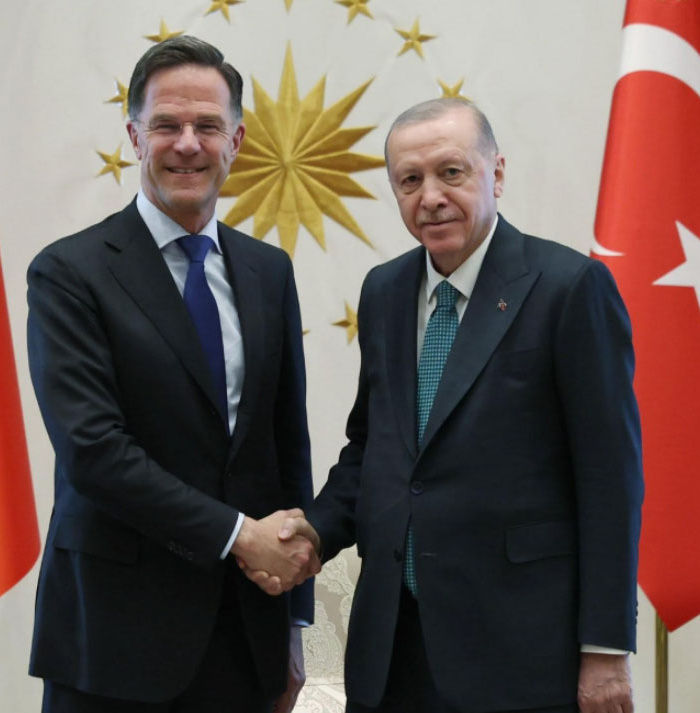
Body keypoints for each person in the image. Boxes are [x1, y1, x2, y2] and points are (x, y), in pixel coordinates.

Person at [273, 98, 644, 713]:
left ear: (495, 173)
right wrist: (313, 532)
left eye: (451, 172)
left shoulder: (570, 288)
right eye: (409, 181)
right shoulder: (384, 291)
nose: (431, 198)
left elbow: (611, 478)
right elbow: (374, 449)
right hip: (393, 649)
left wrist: (605, 647)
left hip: (520, 655)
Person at [26, 35, 319, 713]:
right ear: (135, 136)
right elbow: (94, 452)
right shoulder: (70, 273)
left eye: (207, 126)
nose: (187, 144)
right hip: (113, 642)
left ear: (235, 141)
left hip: (246, 638)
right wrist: (239, 534)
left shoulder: (268, 272)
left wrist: (294, 624)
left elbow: (285, 452)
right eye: (166, 124)